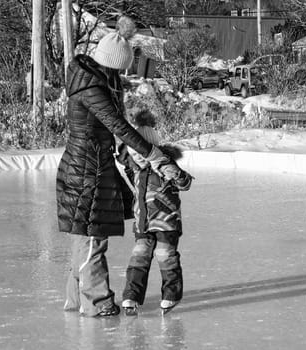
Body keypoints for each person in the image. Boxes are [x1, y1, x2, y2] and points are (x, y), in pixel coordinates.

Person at [57, 17, 185, 317]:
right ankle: (97, 302)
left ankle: (75, 298)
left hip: (90, 164)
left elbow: (116, 127)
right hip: (87, 170)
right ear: (111, 63)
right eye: (120, 68)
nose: (122, 75)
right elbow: (117, 125)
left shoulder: (94, 78)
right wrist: (152, 153)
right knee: (92, 236)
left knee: (84, 234)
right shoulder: (92, 88)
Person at [117, 110, 193, 315]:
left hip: (166, 221)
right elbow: (123, 156)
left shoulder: (165, 165)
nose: (136, 157)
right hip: (142, 221)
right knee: (139, 256)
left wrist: (175, 173)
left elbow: (185, 183)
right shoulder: (134, 169)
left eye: (140, 153)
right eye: (133, 153)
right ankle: (131, 297)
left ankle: (171, 296)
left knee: (165, 254)